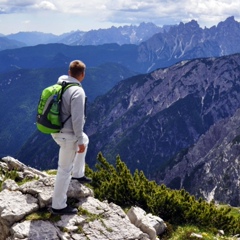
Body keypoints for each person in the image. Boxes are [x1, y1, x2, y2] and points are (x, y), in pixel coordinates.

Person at [51, 60, 91, 215]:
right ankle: (58, 206)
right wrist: (79, 140)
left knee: (86, 140)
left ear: (69, 73)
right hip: (67, 136)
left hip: (55, 130)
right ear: (82, 75)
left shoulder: (60, 85)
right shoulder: (77, 92)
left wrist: (82, 140)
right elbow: (77, 120)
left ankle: (78, 174)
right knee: (64, 170)